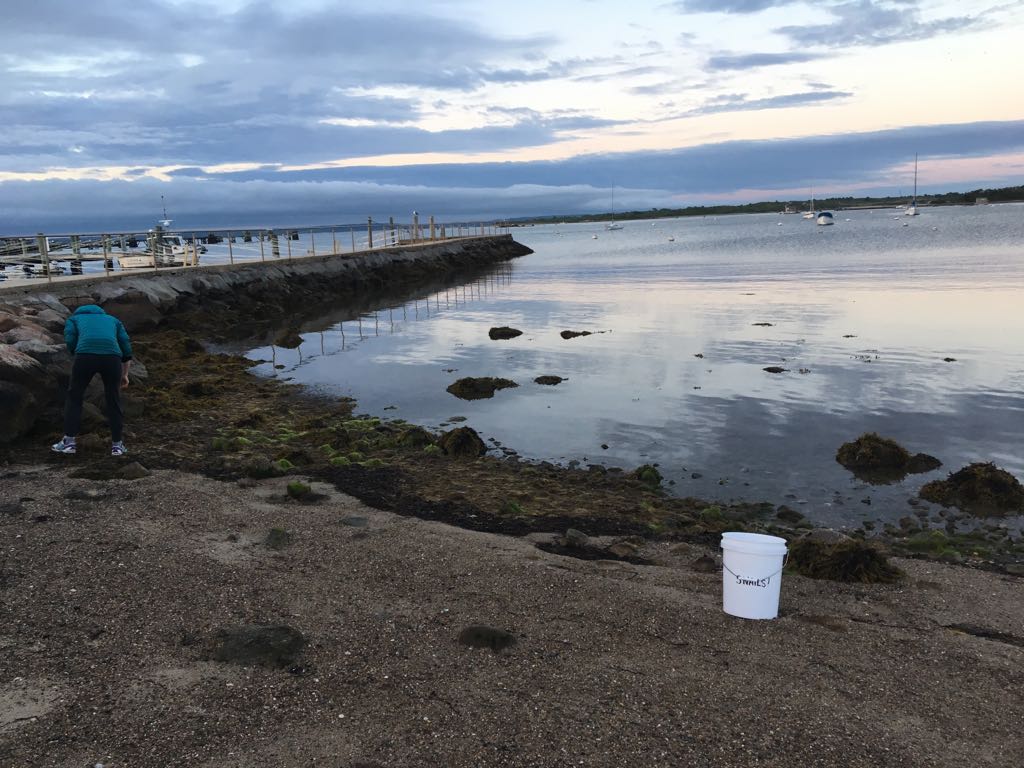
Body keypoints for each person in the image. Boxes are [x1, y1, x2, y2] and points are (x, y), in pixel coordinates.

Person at [51, 304, 133, 457]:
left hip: (85, 357)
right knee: (113, 399)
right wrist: (125, 374)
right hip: (112, 358)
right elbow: (126, 348)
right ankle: (117, 446)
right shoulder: (113, 320)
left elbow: (70, 340)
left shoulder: (74, 319)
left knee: (75, 397)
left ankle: (69, 442)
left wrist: (78, 352)